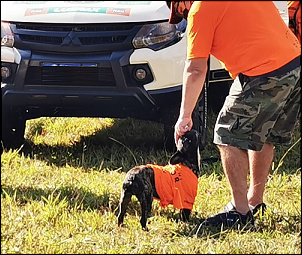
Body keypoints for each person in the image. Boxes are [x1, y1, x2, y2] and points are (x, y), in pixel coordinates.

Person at [169, 1, 301, 229]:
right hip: (294, 64)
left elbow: (195, 69)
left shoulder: (200, 9)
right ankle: (254, 201)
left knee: (225, 132)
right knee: (263, 133)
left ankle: (240, 213)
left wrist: (184, 116)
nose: (184, 14)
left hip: (263, 72)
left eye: (180, 10)